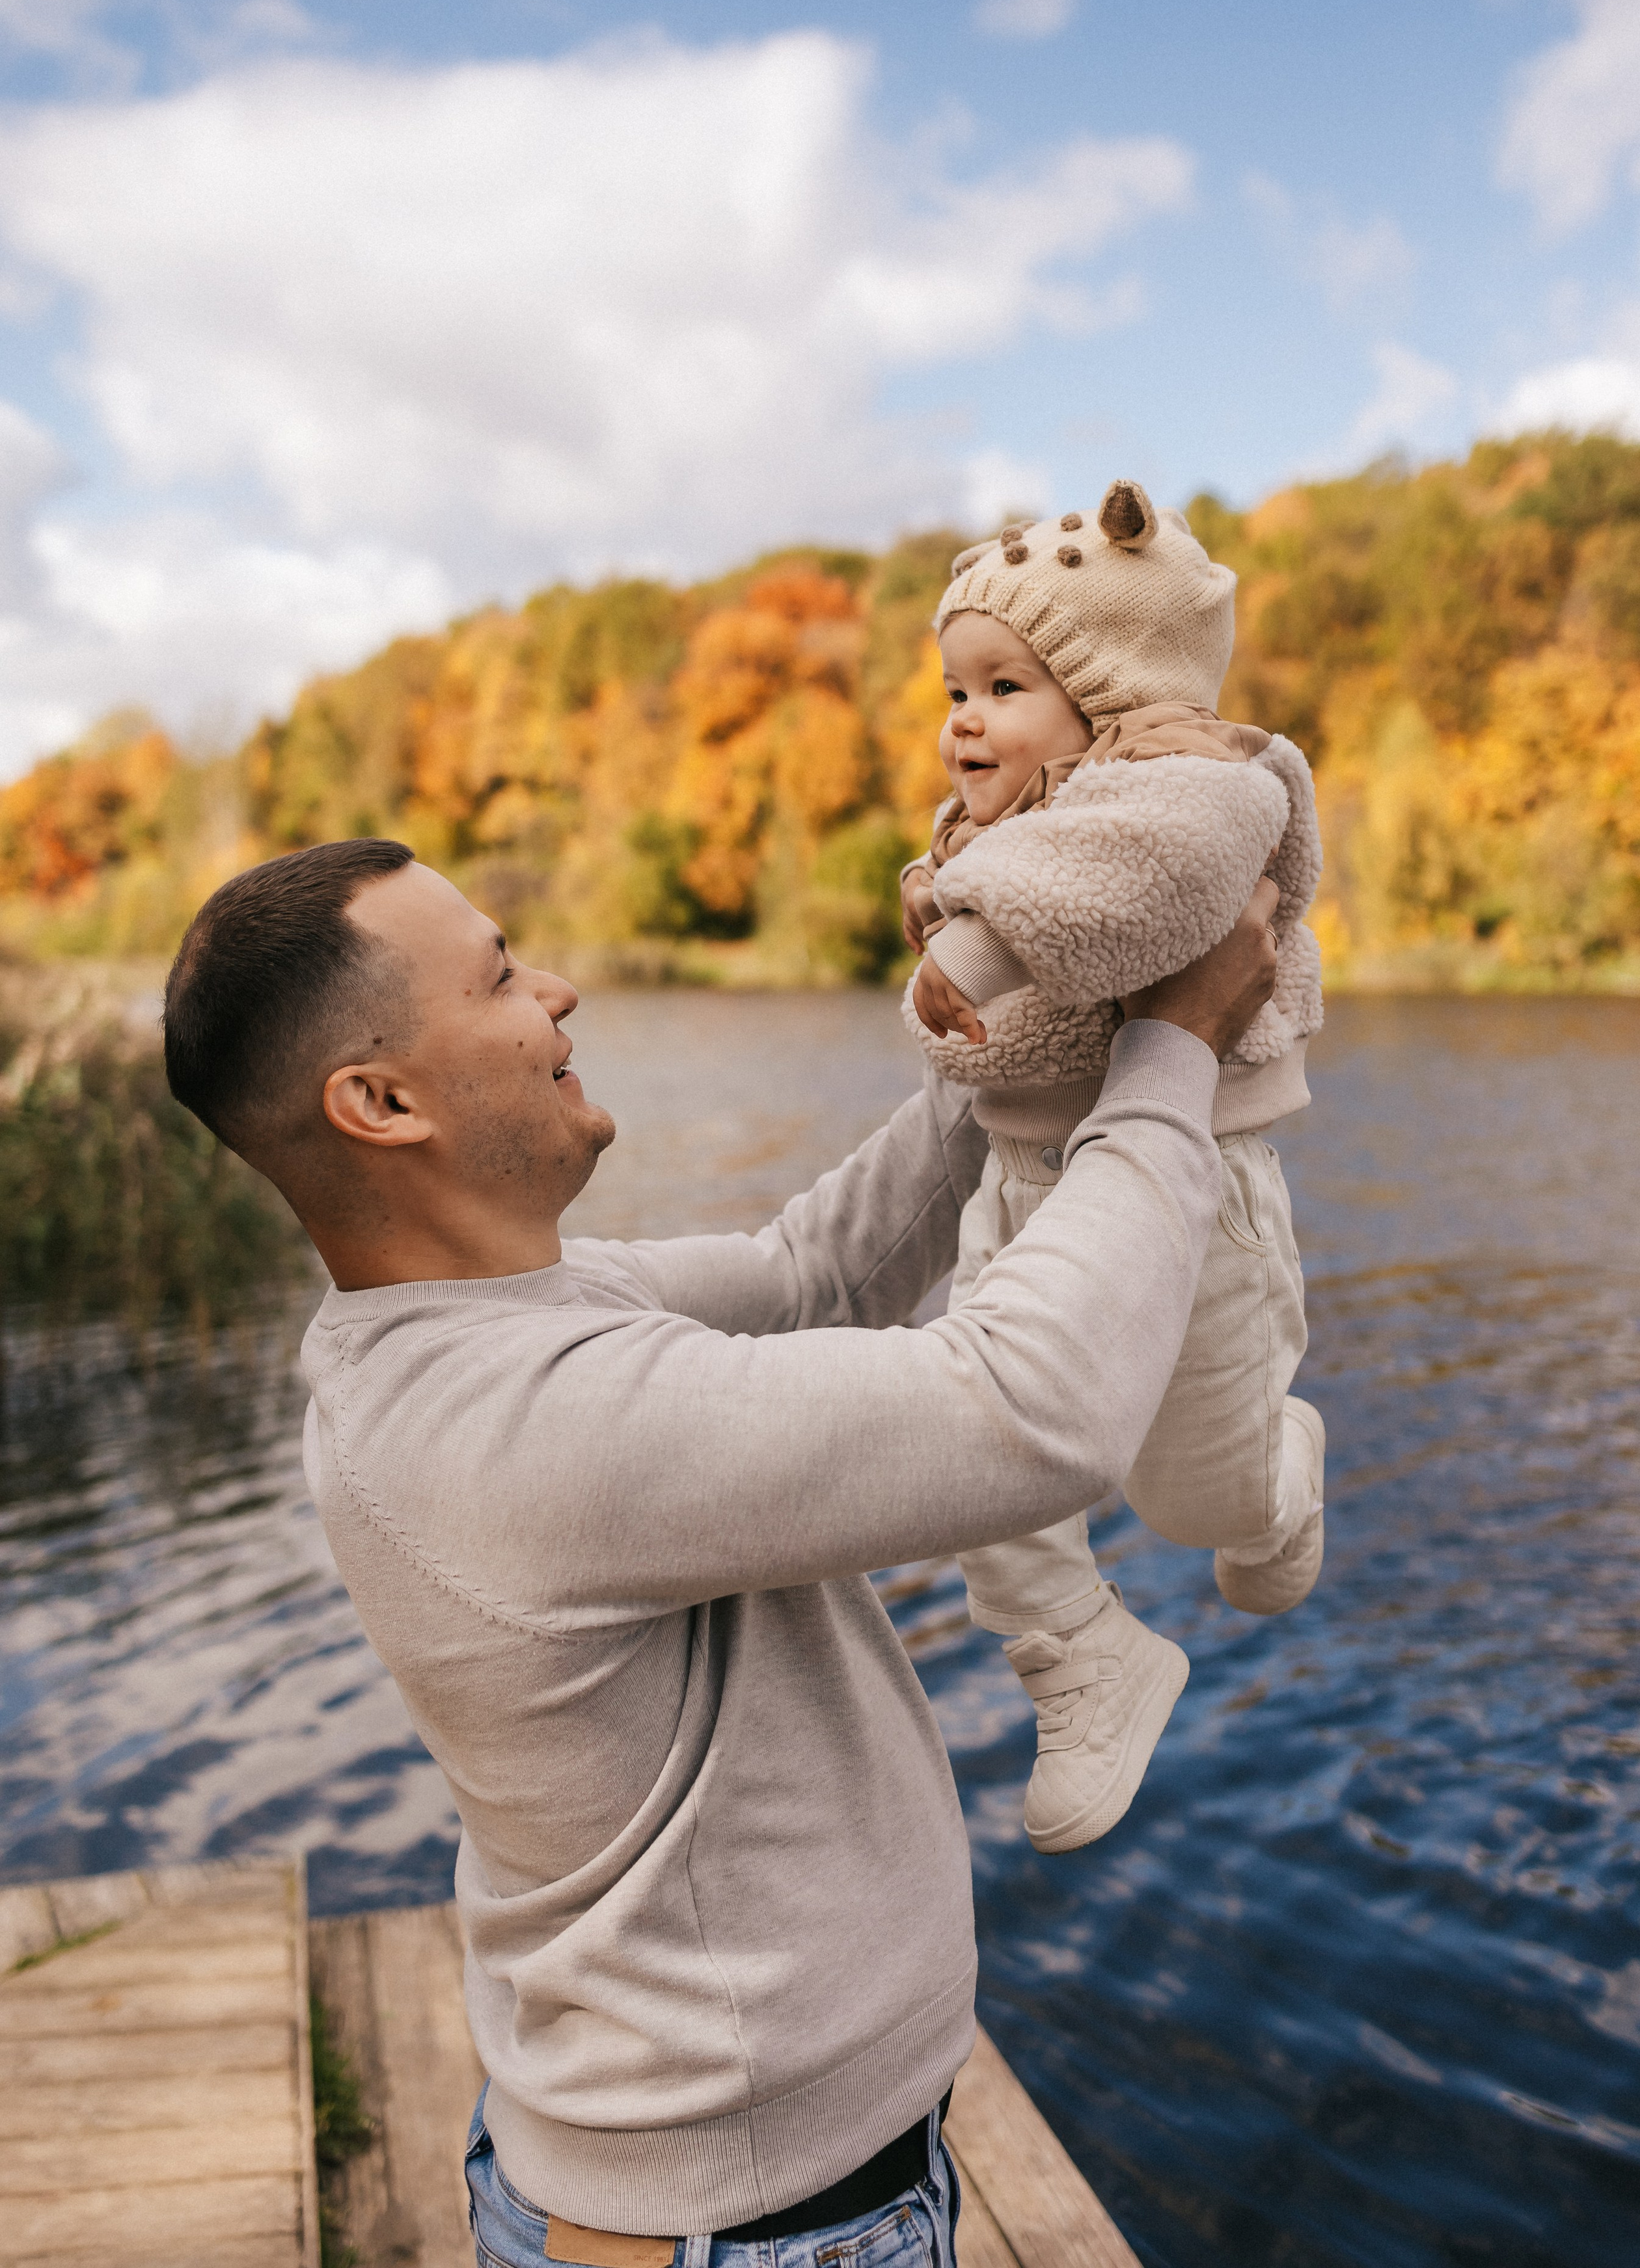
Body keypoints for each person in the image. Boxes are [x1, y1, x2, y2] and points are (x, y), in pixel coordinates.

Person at [162, 837, 1278, 2268]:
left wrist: (1020, 1026)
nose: (556, 994)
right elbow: (1031, 1406)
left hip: (747, 2200)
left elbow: (820, 1275)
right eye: (501, 976)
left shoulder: (504, 1321)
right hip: (754, 2233)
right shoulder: (519, 1424)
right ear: (379, 1103)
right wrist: (1173, 1049)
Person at [897, 475, 1326, 1858]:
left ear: (1115, 695)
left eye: (1002, 685)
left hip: (1192, 1195)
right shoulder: (1008, 827)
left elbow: (1135, 883)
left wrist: (963, 946)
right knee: (975, 1450)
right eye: (952, 690)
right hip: (1027, 1185)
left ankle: (1276, 1469)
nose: (961, 718)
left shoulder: (1206, 788)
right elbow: (1037, 888)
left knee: (1189, 1497)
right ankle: (1077, 1652)